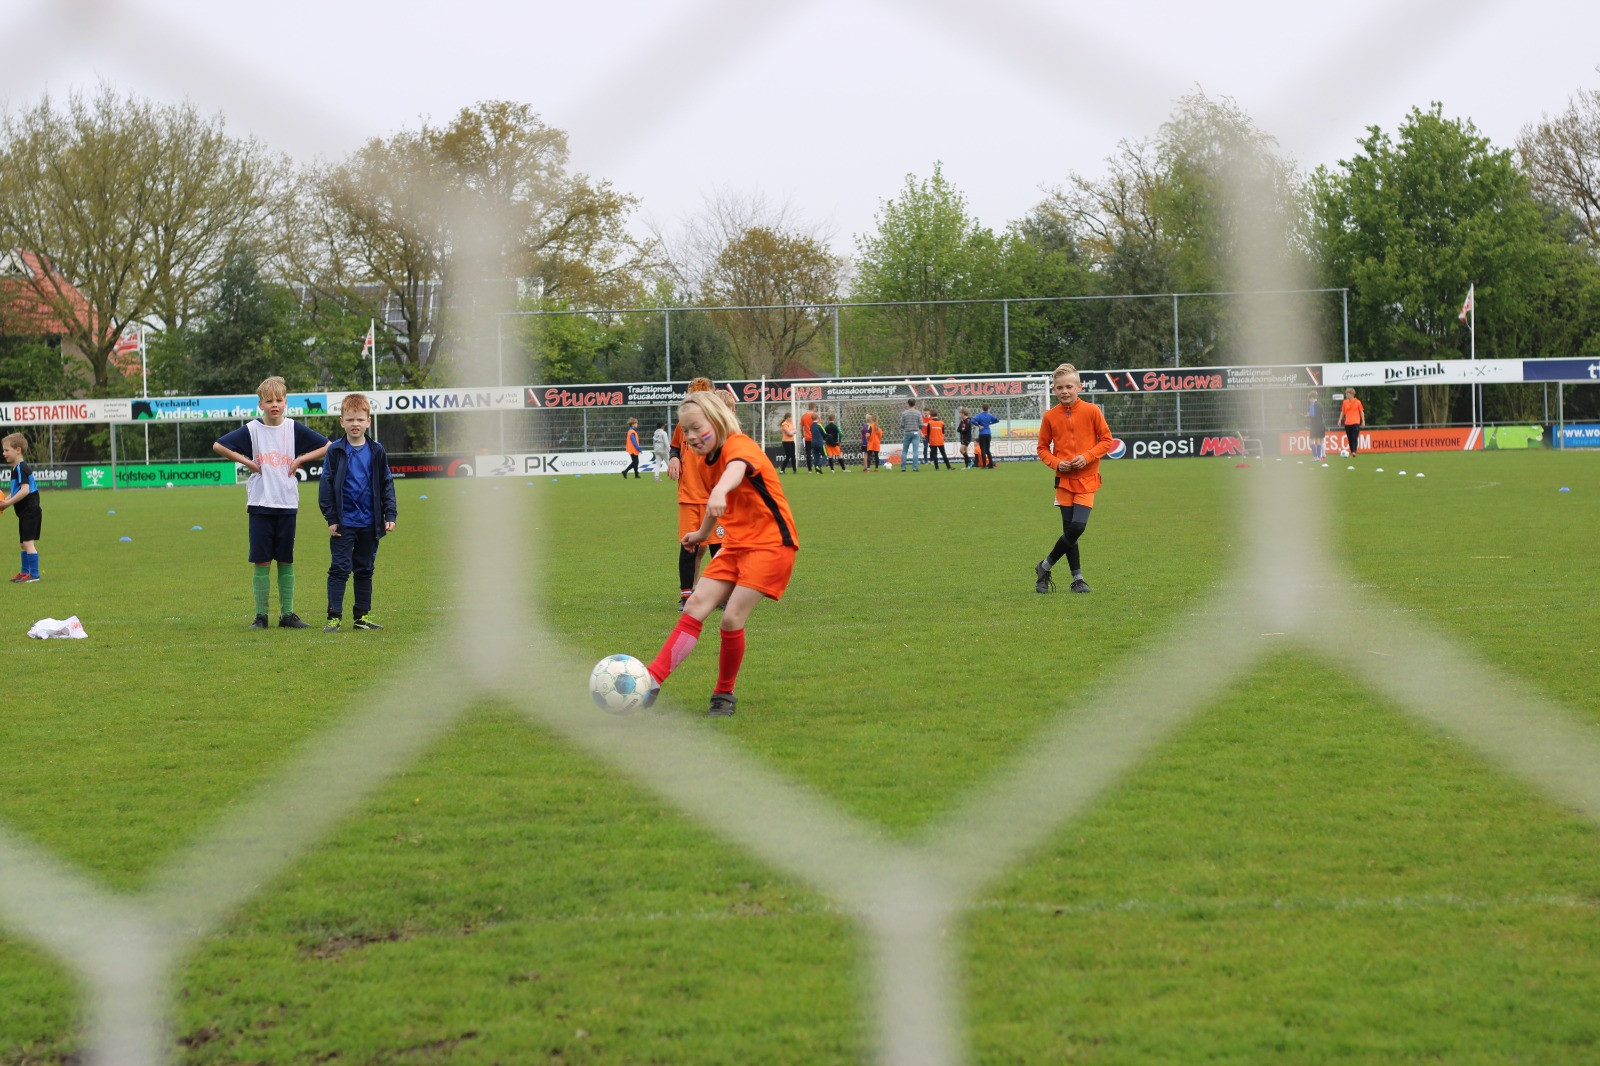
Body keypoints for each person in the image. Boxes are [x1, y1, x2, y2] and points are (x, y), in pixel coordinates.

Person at [644, 389, 798, 718]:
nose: (692, 437)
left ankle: (724, 694)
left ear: (716, 419)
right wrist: (701, 534)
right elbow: (715, 503)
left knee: (730, 618)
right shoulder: (704, 459)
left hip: (772, 544)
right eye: (686, 431)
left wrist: (721, 488)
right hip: (737, 545)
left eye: (698, 428)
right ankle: (651, 681)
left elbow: (736, 469)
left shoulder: (738, 444)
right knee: (696, 604)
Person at [213, 376, 330, 628]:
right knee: (262, 560)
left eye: (279, 400)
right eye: (269, 400)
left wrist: (300, 460)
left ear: (286, 402)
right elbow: (218, 445)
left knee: (286, 559)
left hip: (287, 504)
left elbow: (328, 446)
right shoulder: (252, 430)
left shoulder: (293, 428)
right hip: (260, 505)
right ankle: (261, 616)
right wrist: (248, 462)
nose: (274, 404)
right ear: (260, 404)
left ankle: (287, 615)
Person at [318, 393, 397, 633]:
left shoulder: (377, 451)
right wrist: (331, 518)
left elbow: (386, 482)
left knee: (364, 569)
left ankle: (362, 617)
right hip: (343, 524)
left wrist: (390, 514)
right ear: (341, 421)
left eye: (360, 419)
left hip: (370, 523)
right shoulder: (335, 451)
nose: (355, 424)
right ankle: (334, 617)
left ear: (368, 422)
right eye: (350, 419)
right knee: (340, 569)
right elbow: (326, 485)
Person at [1034, 363, 1114, 595]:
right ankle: (1077, 580)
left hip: (1087, 479)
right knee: (1069, 530)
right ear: (1054, 390)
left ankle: (1045, 565)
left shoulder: (1092, 411)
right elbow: (1042, 449)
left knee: (1077, 527)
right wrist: (1057, 463)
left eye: (1069, 386)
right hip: (1064, 481)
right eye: (1060, 387)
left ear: (1079, 387)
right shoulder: (1050, 416)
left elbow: (1107, 440)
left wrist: (1088, 456)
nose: (1065, 391)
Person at [668, 378, 726, 609]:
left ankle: (722, 595)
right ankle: (686, 595)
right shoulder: (683, 423)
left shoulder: (721, 423)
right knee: (688, 546)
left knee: (719, 547)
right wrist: (673, 457)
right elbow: (675, 445)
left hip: (716, 495)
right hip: (689, 495)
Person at [0, 433, 42, 582]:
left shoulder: (21, 468)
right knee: (23, 544)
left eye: (6, 450)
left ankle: (34, 575)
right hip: (25, 512)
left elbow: (25, 490)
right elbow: (16, 491)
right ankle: (25, 573)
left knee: (28, 543)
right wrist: (5, 502)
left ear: (18, 450)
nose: (3, 453)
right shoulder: (15, 468)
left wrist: (7, 503)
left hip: (31, 511)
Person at [971, 403, 1000, 468]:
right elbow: (997, 420)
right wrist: (990, 423)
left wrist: (978, 425)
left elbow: (972, 420)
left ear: (982, 409)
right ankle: (990, 465)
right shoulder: (989, 416)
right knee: (988, 449)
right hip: (988, 433)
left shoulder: (979, 416)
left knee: (983, 450)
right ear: (988, 409)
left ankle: (984, 465)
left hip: (982, 433)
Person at [898, 398, 922, 472]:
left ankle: (903, 468)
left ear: (908, 404)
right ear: (915, 404)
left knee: (904, 451)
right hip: (915, 432)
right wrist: (918, 428)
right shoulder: (918, 413)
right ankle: (915, 468)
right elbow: (921, 424)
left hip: (907, 432)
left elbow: (901, 424)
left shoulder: (904, 413)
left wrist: (906, 427)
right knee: (915, 451)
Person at [1340, 388, 1365, 457]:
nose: (1346, 395)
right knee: (1350, 438)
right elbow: (1342, 412)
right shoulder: (1345, 402)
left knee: (1354, 437)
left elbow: (1361, 412)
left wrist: (1363, 421)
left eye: (1347, 394)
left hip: (1355, 423)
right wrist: (1340, 420)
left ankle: (1354, 451)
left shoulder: (1358, 402)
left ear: (1351, 394)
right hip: (1347, 423)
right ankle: (1352, 451)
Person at [1305, 391, 1326, 461]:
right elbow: (1322, 416)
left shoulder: (1312, 404)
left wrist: (1308, 415)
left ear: (1311, 398)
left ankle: (1315, 456)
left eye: (1309, 398)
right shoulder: (1321, 405)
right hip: (1322, 425)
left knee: (1311, 441)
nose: (1309, 400)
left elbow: (1312, 415)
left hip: (1315, 425)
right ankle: (1319, 457)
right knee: (1318, 441)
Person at [799, 403, 818, 472]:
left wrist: (803, 435)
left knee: (808, 454)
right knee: (816, 453)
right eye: (815, 407)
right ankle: (817, 467)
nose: (816, 409)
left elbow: (801, 427)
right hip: (815, 437)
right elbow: (818, 427)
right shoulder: (816, 416)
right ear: (813, 408)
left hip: (807, 438)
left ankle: (809, 469)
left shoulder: (804, 416)